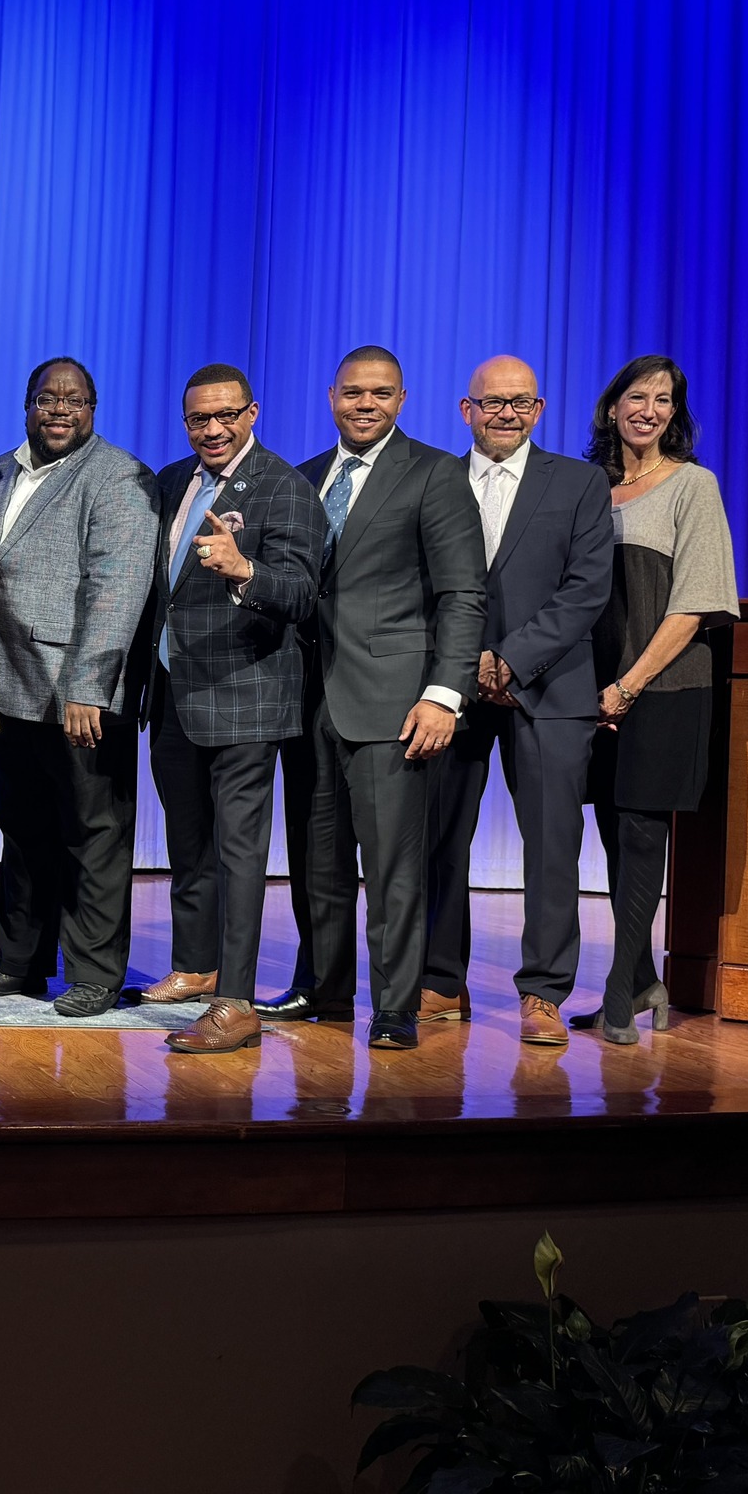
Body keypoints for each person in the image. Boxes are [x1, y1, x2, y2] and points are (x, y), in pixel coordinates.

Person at [254, 348, 485, 1050]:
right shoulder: (302, 478)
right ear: (330, 397)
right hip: (306, 701)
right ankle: (322, 986)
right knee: (316, 863)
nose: (365, 404)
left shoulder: (437, 474)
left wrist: (444, 695)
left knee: (392, 868)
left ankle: (395, 1005)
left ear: (403, 399)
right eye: (352, 392)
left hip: (394, 703)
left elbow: (462, 595)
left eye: (380, 394)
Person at [0, 358, 157, 1017]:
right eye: (48, 399)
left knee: (93, 832)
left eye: (75, 400)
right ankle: (20, 961)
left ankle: (95, 971)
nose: (61, 410)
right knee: (23, 828)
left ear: (93, 409)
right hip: (5, 684)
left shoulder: (119, 477)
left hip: (78, 696)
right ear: (27, 405)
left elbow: (118, 588)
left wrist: (91, 686)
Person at [422, 357, 612, 1046]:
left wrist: (510, 658)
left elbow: (587, 588)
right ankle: (440, 981)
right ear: (465, 409)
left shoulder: (581, 482)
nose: (505, 413)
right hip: (450, 689)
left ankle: (544, 993)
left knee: (553, 847)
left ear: (538, 410)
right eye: (491, 402)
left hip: (551, 687)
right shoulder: (431, 477)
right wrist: (462, 664)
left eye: (519, 403)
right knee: (438, 840)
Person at [139, 366, 325, 1054]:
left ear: (253, 413)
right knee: (188, 843)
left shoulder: (285, 486)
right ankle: (195, 965)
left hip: (248, 694)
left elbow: (304, 593)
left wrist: (245, 571)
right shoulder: (168, 482)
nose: (212, 430)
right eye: (198, 420)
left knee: (239, 852)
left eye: (226, 416)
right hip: (171, 693)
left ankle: (237, 1002)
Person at [567, 356, 738, 1043]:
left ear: (675, 413)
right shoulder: (590, 489)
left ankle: (618, 992)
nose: (650, 408)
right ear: (613, 407)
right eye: (637, 395)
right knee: (612, 832)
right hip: (593, 688)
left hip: (661, 687)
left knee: (641, 831)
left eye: (664, 399)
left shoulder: (694, 486)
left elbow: (696, 603)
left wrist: (628, 685)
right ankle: (641, 982)